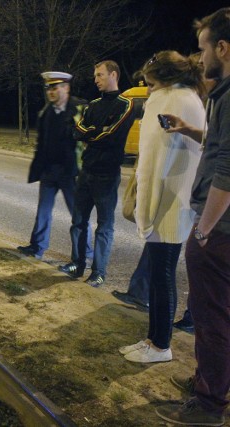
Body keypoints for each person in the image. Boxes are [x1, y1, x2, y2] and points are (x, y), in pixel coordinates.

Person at [156, 8, 230, 426]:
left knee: (212, 317)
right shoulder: (223, 94)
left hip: (219, 230)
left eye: (203, 49)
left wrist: (203, 230)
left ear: (222, 47)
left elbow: (227, 169)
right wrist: (188, 129)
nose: (199, 59)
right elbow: (219, 144)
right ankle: (214, 382)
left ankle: (208, 405)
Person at [118, 50, 205, 364]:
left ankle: (160, 346)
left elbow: (154, 163)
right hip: (179, 201)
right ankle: (154, 340)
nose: (147, 88)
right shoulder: (189, 96)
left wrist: (146, 212)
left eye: (148, 82)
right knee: (161, 274)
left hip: (167, 203)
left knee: (162, 275)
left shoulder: (165, 101)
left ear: (163, 80)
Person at [59, 60, 134, 287]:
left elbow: (111, 135)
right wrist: (95, 131)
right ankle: (77, 263)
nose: (96, 79)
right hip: (87, 172)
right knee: (78, 222)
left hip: (107, 176)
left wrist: (90, 133)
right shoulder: (92, 105)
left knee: (104, 226)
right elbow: (76, 131)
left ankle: (98, 272)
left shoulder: (125, 105)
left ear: (113, 74)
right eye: (95, 75)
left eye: (100, 75)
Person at [17, 72, 93, 261]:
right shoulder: (46, 112)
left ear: (66, 88)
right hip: (49, 172)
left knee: (78, 216)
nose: (50, 91)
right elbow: (41, 144)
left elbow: (90, 140)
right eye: (48, 88)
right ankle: (37, 247)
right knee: (43, 211)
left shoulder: (80, 110)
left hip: (71, 173)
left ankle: (85, 253)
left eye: (55, 87)